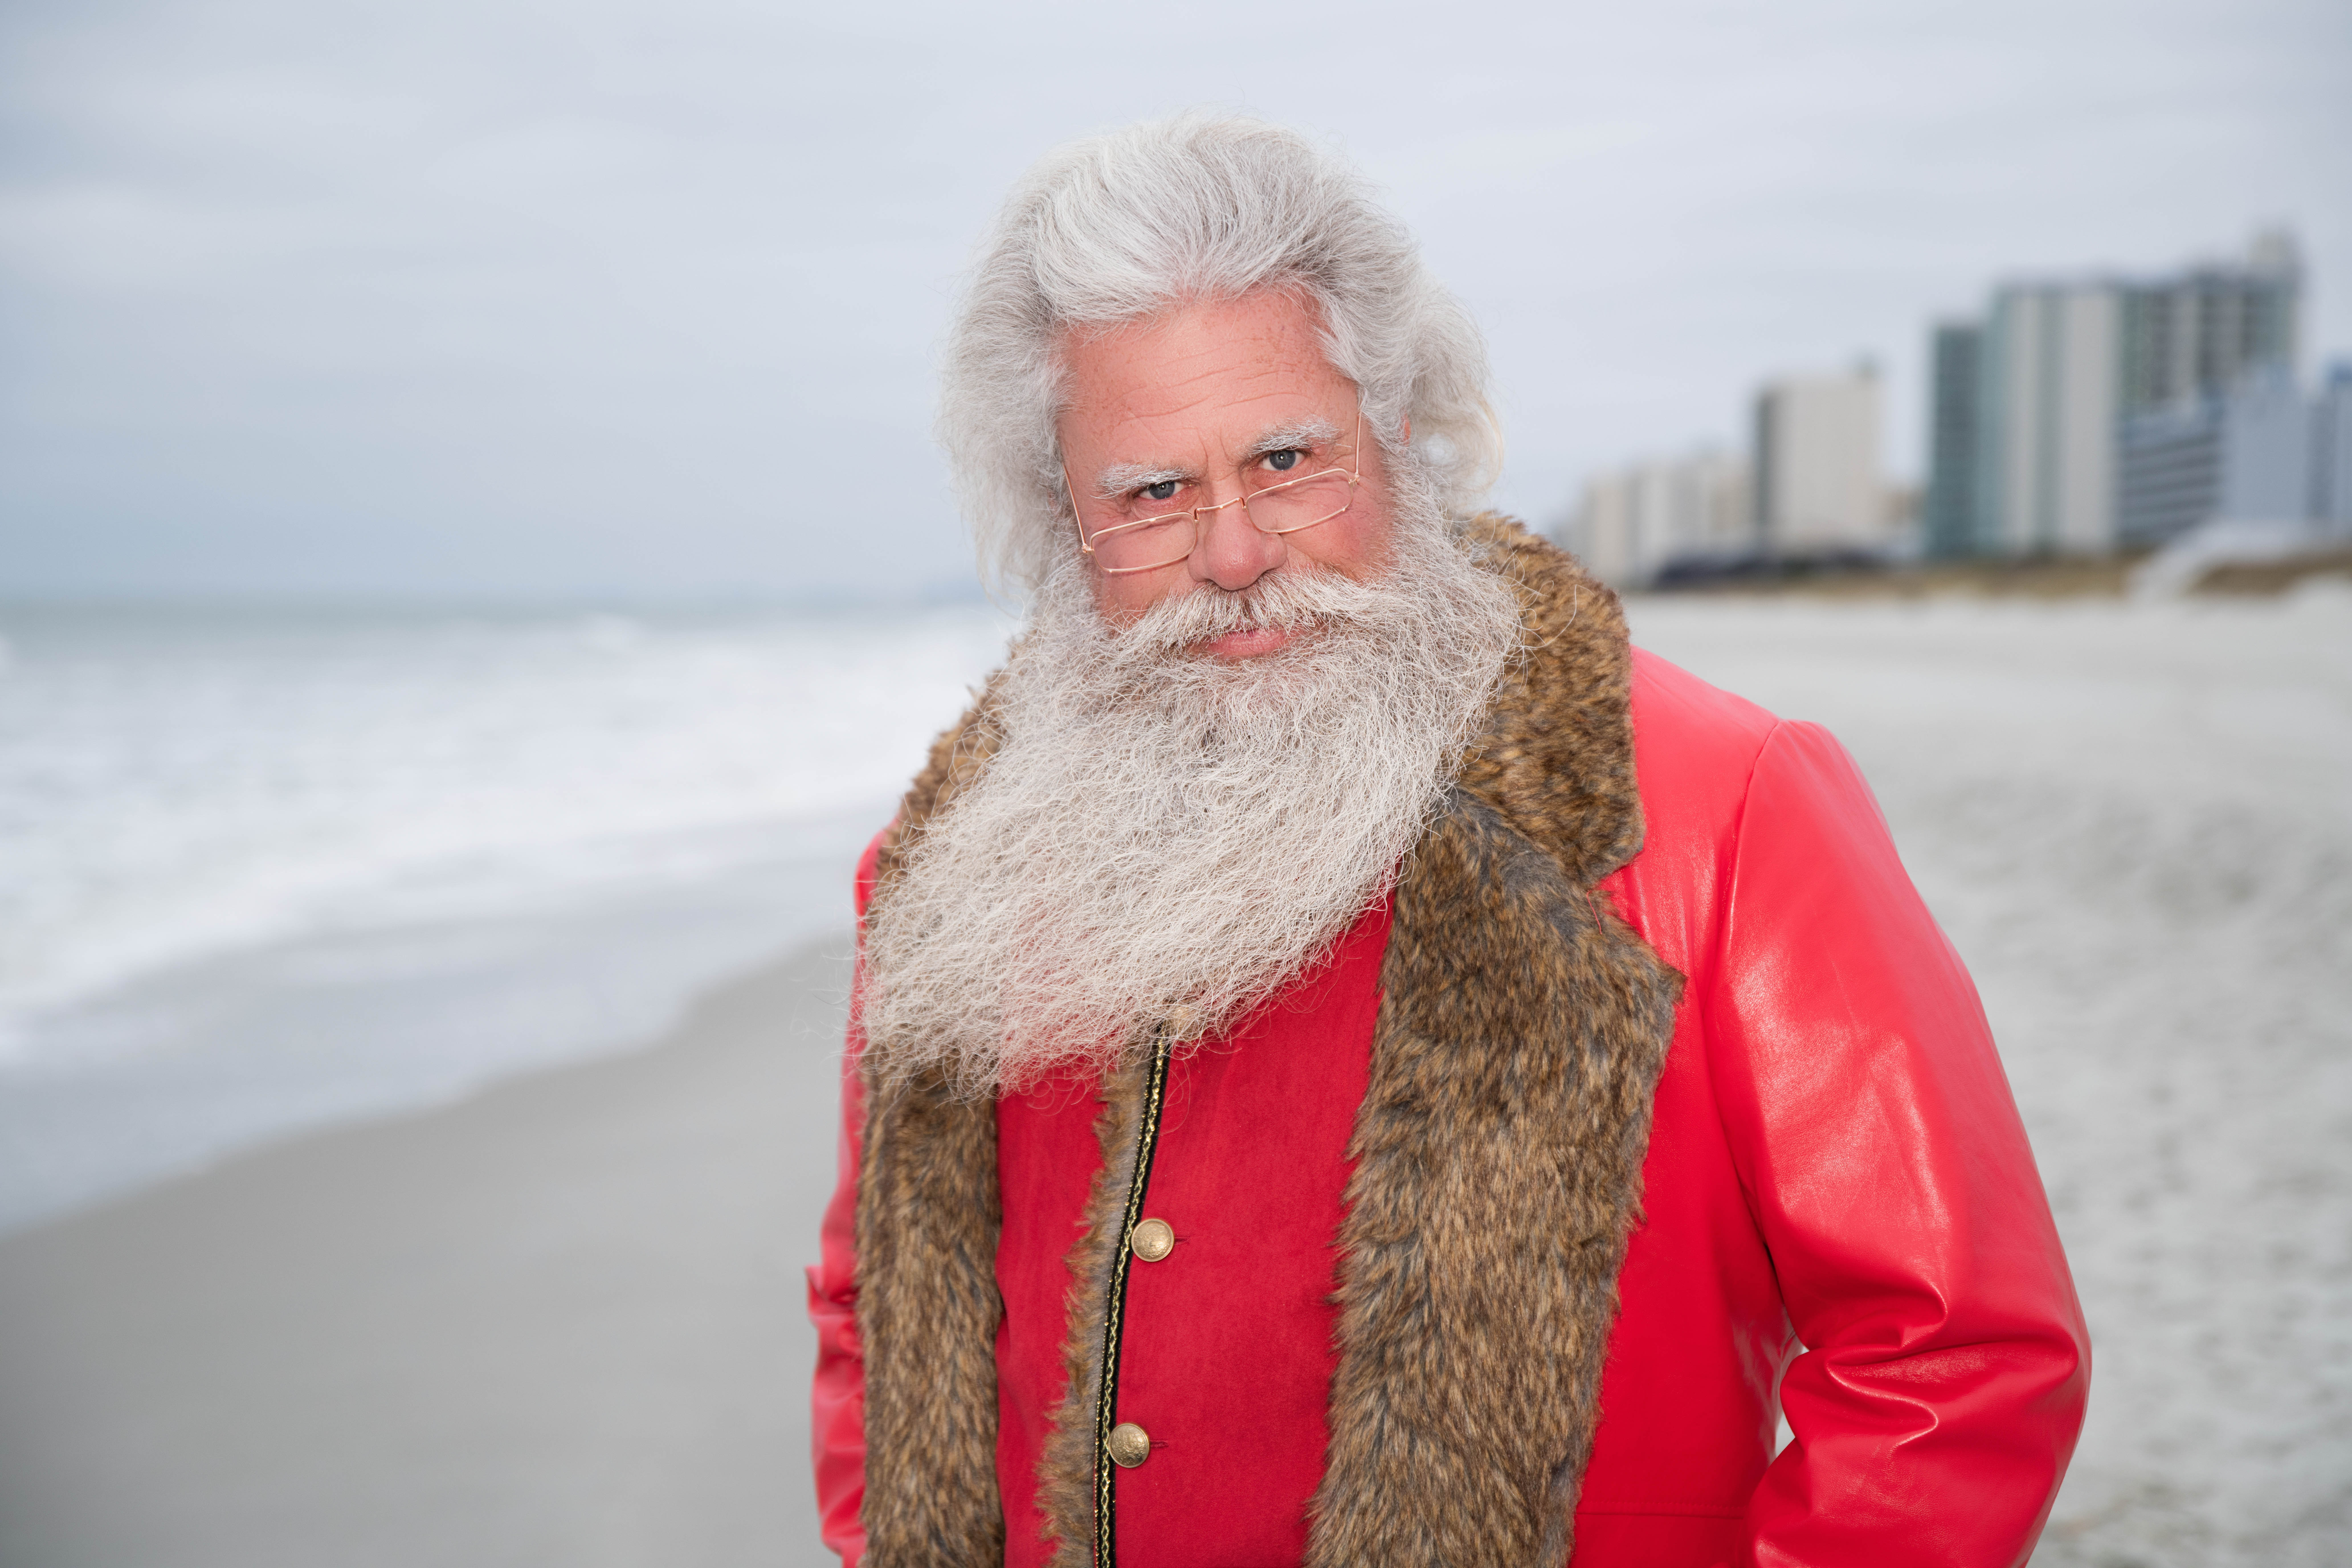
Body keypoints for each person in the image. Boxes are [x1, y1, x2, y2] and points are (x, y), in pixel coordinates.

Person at [807, 113, 2088, 1568]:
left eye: (1287, 457)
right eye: (1151, 492)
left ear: (1401, 435)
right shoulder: (948, 866)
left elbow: (1956, 1353)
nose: (1234, 552)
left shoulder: (1724, 806)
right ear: (1065, 517)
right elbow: (876, 1315)